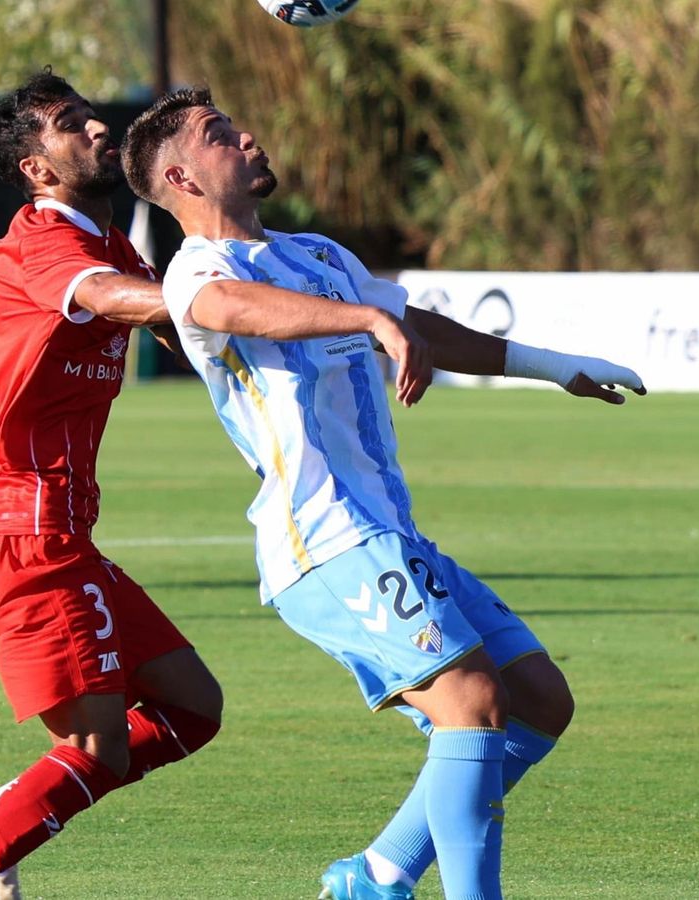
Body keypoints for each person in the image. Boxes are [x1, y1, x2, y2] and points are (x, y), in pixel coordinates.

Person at [121, 88, 646, 900]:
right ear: (183, 178)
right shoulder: (199, 269)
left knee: (540, 699)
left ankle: (378, 873)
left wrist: (554, 366)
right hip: (322, 541)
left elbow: (420, 325)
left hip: (386, 533)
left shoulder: (321, 256)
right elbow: (230, 309)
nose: (248, 135)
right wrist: (366, 319)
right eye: (221, 135)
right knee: (468, 701)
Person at [0, 71, 223, 900]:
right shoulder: (40, 242)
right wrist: (214, 302)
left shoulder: (111, 242)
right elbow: (120, 302)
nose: (98, 129)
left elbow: (169, 321)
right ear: (36, 168)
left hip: (64, 528)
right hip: (23, 524)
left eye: (90, 116)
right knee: (94, 750)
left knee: (192, 709)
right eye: (70, 124)